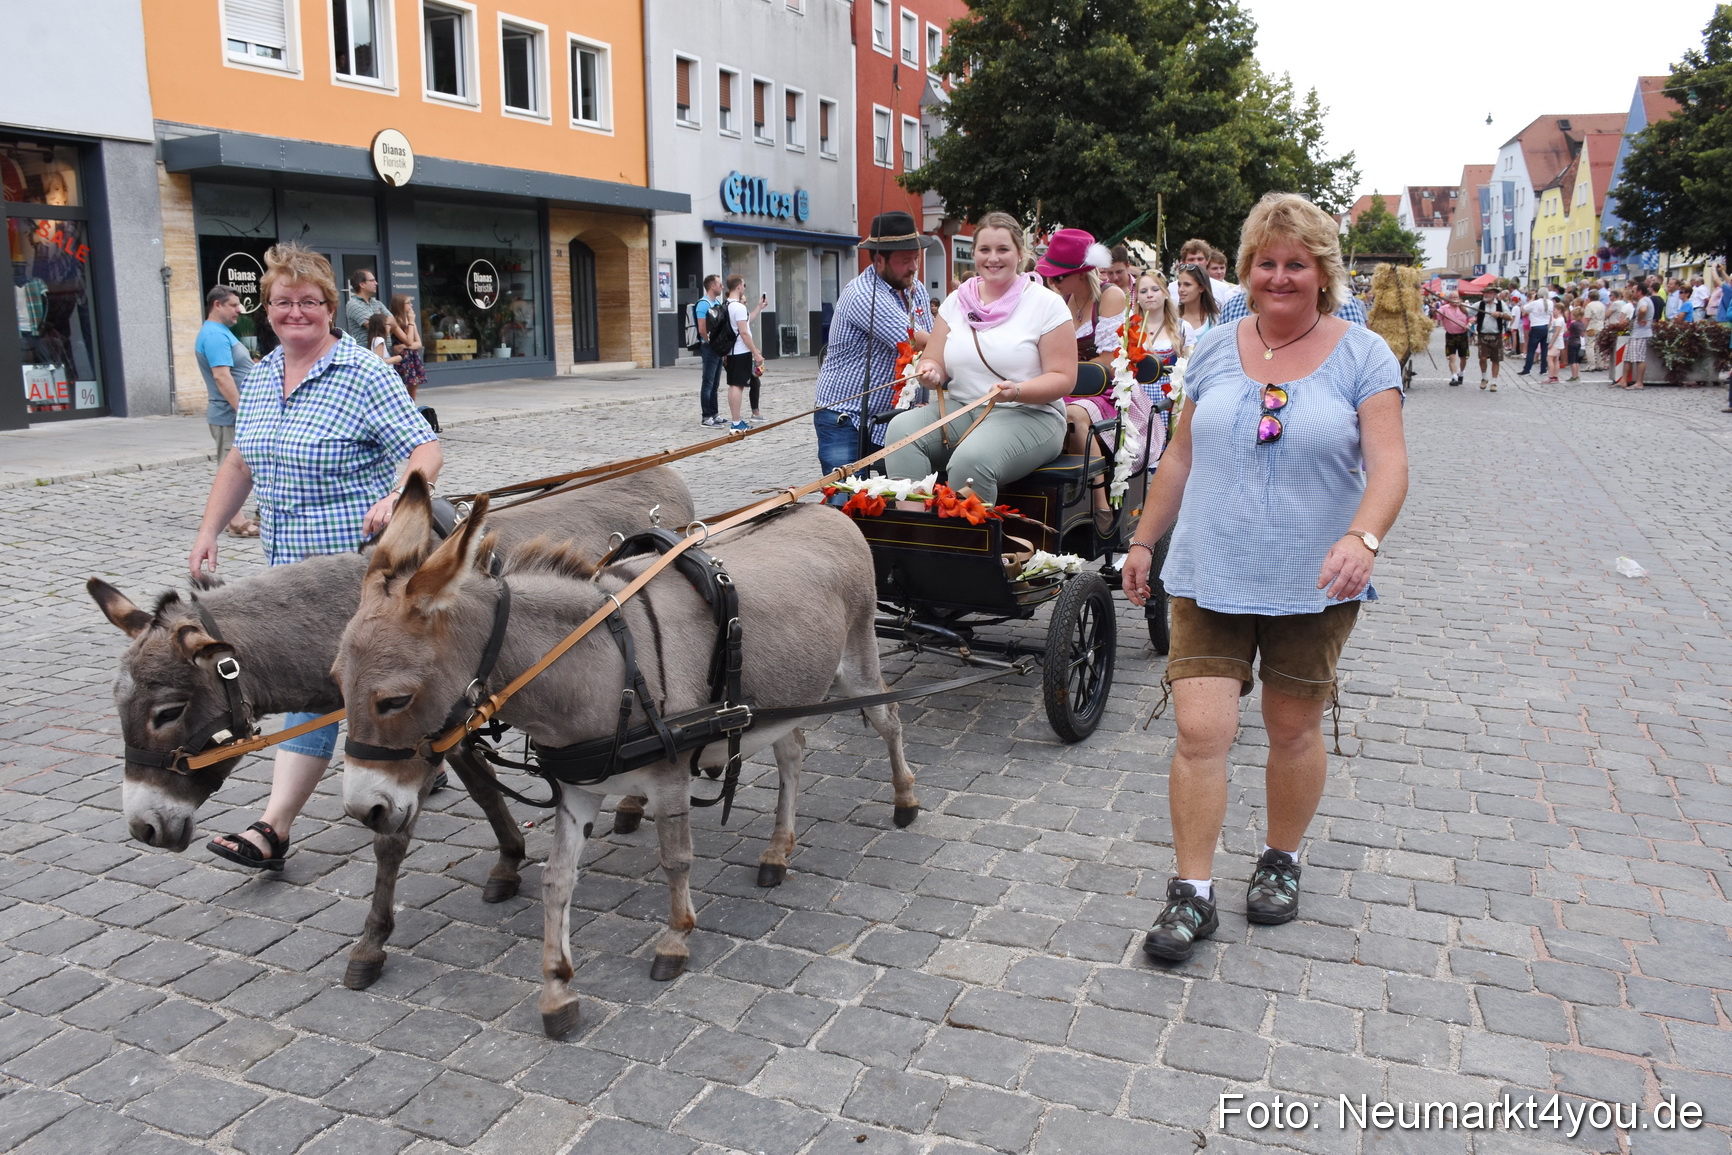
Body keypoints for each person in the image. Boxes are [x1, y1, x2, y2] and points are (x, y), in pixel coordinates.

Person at [1121, 191, 1408, 962]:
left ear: (1323, 273)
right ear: (1245, 271)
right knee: (1200, 731)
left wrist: (1364, 536)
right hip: (1209, 570)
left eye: (1296, 263)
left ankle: (1281, 858)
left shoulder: (1362, 353)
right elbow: (1179, 455)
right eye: (1265, 262)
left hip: (1313, 579)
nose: (1279, 276)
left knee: (1292, 729)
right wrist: (1145, 538)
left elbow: (1389, 465)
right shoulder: (1213, 347)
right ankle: (1193, 893)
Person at [190, 243, 442, 871]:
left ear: (331, 308)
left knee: (315, 686)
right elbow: (242, 460)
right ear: (266, 311)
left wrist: (399, 495)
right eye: (282, 302)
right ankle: (425, 751)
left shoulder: (364, 372)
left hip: (353, 570)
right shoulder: (261, 374)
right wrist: (210, 528)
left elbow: (424, 448)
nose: (295, 312)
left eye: (308, 302)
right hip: (285, 568)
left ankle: (272, 827)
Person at [884, 211, 1074, 504]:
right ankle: (915, 528)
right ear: (973, 253)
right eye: (984, 250)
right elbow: (933, 360)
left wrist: (1017, 391)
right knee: (899, 432)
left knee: (971, 462)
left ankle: (968, 547)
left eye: (1003, 249)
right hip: (962, 409)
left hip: (1030, 414)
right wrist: (930, 370)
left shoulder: (1046, 304)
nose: (993, 258)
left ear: (1020, 253)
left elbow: (1063, 378)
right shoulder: (955, 302)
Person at [811, 212, 932, 472]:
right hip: (845, 418)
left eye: (915, 258)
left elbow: (932, 349)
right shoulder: (863, 293)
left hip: (892, 419)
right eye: (905, 260)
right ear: (879, 260)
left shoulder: (916, 288)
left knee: (896, 498)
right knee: (846, 500)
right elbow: (917, 342)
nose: (913, 267)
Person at [1040, 228, 1127, 530]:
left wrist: (1065, 368)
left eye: (1059, 276)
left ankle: (1099, 503)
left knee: (1074, 415)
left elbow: (1109, 363)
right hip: (1070, 385)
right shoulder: (1063, 300)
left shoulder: (1110, 296)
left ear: (1081, 272)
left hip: (1106, 391)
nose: (1053, 282)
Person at [194, 286, 259, 538]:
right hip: (229, 416)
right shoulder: (214, 336)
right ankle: (234, 520)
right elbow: (222, 377)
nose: (239, 310)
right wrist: (244, 412)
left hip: (234, 415)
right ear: (217, 305)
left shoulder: (222, 333)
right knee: (230, 466)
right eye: (233, 305)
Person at [721, 274, 767, 431]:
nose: (744, 287)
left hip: (731, 351)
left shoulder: (726, 305)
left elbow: (746, 322)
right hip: (740, 351)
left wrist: (759, 307)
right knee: (737, 386)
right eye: (744, 284)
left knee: (734, 385)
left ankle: (736, 420)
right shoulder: (739, 307)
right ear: (739, 286)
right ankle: (736, 422)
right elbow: (744, 332)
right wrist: (756, 352)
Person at [694, 274, 726, 428]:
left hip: (717, 348)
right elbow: (702, 329)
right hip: (709, 348)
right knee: (708, 382)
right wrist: (712, 343)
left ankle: (714, 413)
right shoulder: (703, 304)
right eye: (720, 284)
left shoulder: (717, 302)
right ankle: (706, 416)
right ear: (712, 286)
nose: (722, 287)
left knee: (715, 384)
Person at [1472, 287, 1511, 391]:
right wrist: (1458, 306)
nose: (1486, 295)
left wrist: (1500, 314)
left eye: (1489, 293)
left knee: (1496, 359)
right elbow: (1467, 312)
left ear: (1494, 294)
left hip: (1496, 335)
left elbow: (1509, 316)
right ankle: (1484, 378)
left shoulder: (1500, 304)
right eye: (1485, 293)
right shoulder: (1479, 304)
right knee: (1483, 358)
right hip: (1483, 335)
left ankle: (1494, 382)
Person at [388, 294, 426, 401]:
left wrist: (404, 346)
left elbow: (418, 343)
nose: (411, 305)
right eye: (408, 303)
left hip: (412, 356)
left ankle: (412, 408)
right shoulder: (396, 322)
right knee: (401, 386)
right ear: (400, 305)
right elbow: (409, 340)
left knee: (414, 386)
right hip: (402, 358)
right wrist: (411, 323)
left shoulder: (410, 321)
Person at [1175, 263, 1220, 342]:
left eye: (1187, 285)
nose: (1181, 289)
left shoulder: (1215, 320)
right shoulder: (1171, 318)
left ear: (1201, 288)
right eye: (1179, 285)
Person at [343, 267, 388, 345]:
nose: (376, 283)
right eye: (372, 280)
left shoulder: (377, 303)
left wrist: (383, 323)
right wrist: (386, 322)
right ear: (362, 284)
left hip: (386, 350)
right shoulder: (353, 304)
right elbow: (376, 328)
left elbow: (394, 322)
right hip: (369, 352)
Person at [1434, 290, 1471, 386]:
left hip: (1462, 335)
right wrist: (1433, 311)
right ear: (1449, 299)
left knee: (1463, 357)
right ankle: (1454, 376)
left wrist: (1468, 325)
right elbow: (1436, 315)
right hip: (1451, 335)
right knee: (1452, 357)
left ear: (1459, 298)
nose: (1455, 299)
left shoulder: (1464, 307)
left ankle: (1461, 373)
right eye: (1452, 298)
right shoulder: (1444, 308)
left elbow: (1471, 318)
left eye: (1456, 297)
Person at [1624, 282, 1653, 389]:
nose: (1632, 293)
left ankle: (1639, 382)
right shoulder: (1643, 300)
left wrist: (1640, 319)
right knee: (1628, 357)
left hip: (1641, 333)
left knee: (1639, 358)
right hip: (1636, 333)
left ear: (1640, 292)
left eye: (1633, 291)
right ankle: (1624, 380)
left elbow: (1643, 309)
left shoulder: (1643, 300)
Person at [1518, 288, 1552, 375]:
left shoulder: (1535, 303)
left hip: (1536, 326)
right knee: (1544, 350)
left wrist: (1532, 299)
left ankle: (1527, 369)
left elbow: (1524, 309)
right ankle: (1543, 368)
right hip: (1547, 326)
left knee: (1531, 350)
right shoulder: (1550, 302)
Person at [1583, 286, 1607, 371]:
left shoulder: (1589, 306)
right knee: (1599, 347)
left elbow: (1587, 318)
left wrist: (1583, 328)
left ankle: (1591, 365)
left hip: (1591, 327)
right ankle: (1600, 364)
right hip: (1601, 326)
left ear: (1589, 297)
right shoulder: (1602, 305)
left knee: (1590, 346)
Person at [1562, 304, 1585, 382]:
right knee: (1577, 360)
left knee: (1573, 361)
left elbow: (1567, 332)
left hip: (1572, 342)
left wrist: (1564, 328)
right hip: (1578, 342)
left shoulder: (1573, 324)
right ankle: (1577, 375)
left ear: (1575, 315)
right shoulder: (1581, 324)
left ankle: (1574, 376)